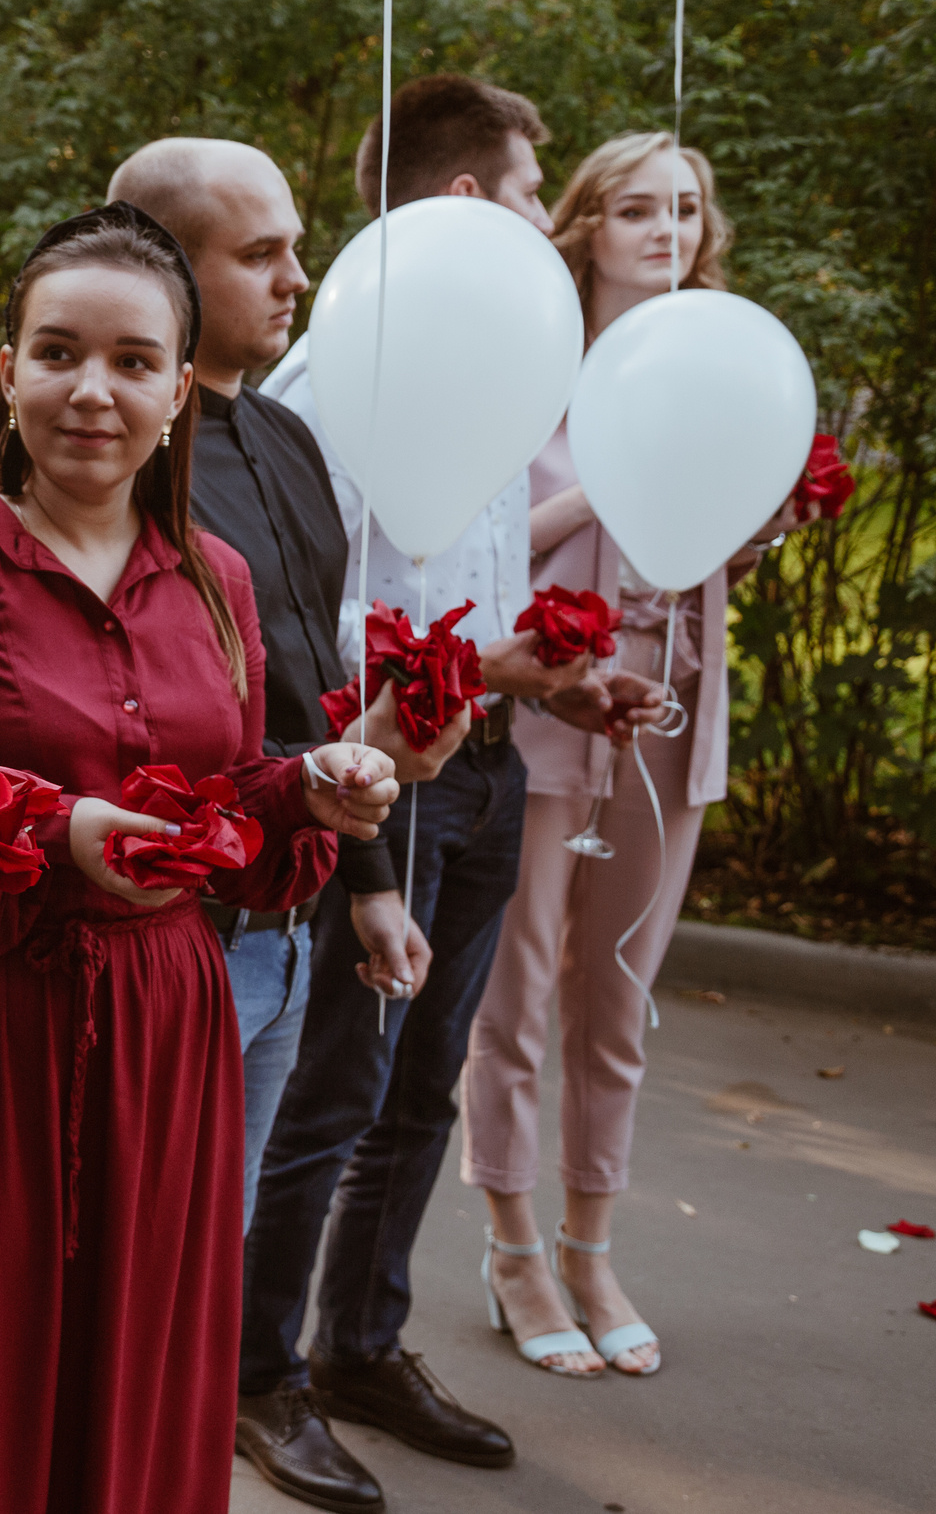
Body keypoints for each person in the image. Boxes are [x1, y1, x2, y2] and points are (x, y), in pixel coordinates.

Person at [0, 202, 402, 1514]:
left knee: (137, 1381)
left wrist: (311, 785)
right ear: (6, 370)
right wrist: (49, 829)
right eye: (59, 352)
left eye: (134, 362)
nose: (94, 390)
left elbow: (224, 825)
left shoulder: (218, 578)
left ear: (180, 387)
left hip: (168, 1036)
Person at [237, 76, 667, 1514]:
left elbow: (468, 576)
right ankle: (258, 1377)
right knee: (338, 1087)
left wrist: (551, 676)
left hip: (484, 762)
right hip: (380, 774)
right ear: (474, 200)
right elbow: (295, 623)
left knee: (425, 1084)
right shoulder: (330, 372)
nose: (554, 220)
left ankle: (362, 1343)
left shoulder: (506, 357)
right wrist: (488, 662)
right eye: (540, 192)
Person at [463, 131, 807, 1380]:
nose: (668, 230)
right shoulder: (533, 370)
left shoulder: (717, 366)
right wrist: (611, 476)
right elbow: (492, 530)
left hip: (665, 718)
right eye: (638, 210)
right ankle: (510, 1247)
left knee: (618, 999)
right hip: (545, 715)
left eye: (687, 209)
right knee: (512, 1002)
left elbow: (712, 542)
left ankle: (591, 1242)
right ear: (587, 226)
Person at [107, 137, 465, 1230]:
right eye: (260, 253)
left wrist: (371, 885)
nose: (296, 280)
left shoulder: (288, 437)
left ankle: (241, 1395)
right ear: (162, 266)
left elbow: (310, 693)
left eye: (296, 249)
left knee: (220, 1234)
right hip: (173, 926)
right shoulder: (116, 459)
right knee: (146, 1237)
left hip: (294, 920)